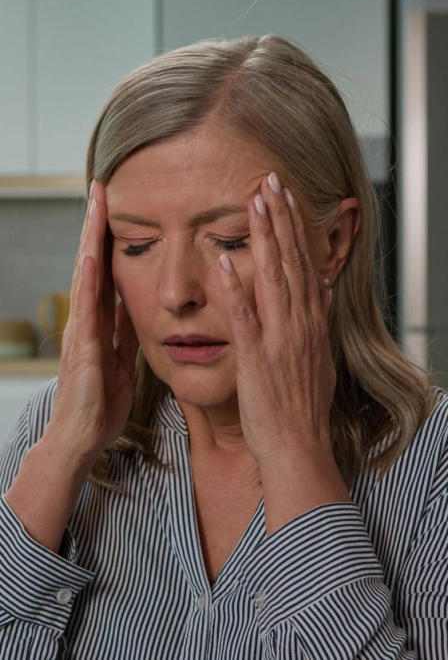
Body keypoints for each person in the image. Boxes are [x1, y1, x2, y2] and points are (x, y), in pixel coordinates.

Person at [0, 34, 446, 659]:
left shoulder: (432, 467)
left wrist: (295, 456)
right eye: (136, 245)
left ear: (335, 242)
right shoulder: (52, 431)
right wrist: (60, 456)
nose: (176, 293)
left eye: (232, 240)